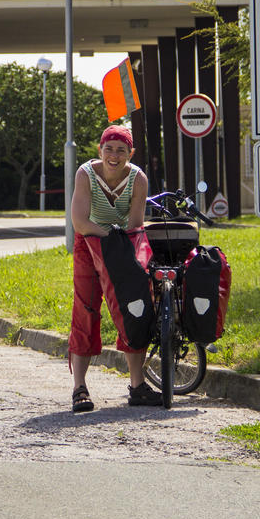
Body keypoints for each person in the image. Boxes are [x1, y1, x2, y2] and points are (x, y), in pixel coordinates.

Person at [67, 125, 164, 412]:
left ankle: (137, 385)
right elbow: (80, 223)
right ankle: (79, 388)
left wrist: (120, 246)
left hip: (123, 245)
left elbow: (135, 224)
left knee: (133, 306)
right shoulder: (85, 174)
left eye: (121, 150)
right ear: (100, 150)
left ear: (130, 154)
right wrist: (109, 235)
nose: (114, 155)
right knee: (85, 309)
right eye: (108, 148)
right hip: (90, 243)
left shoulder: (138, 179)